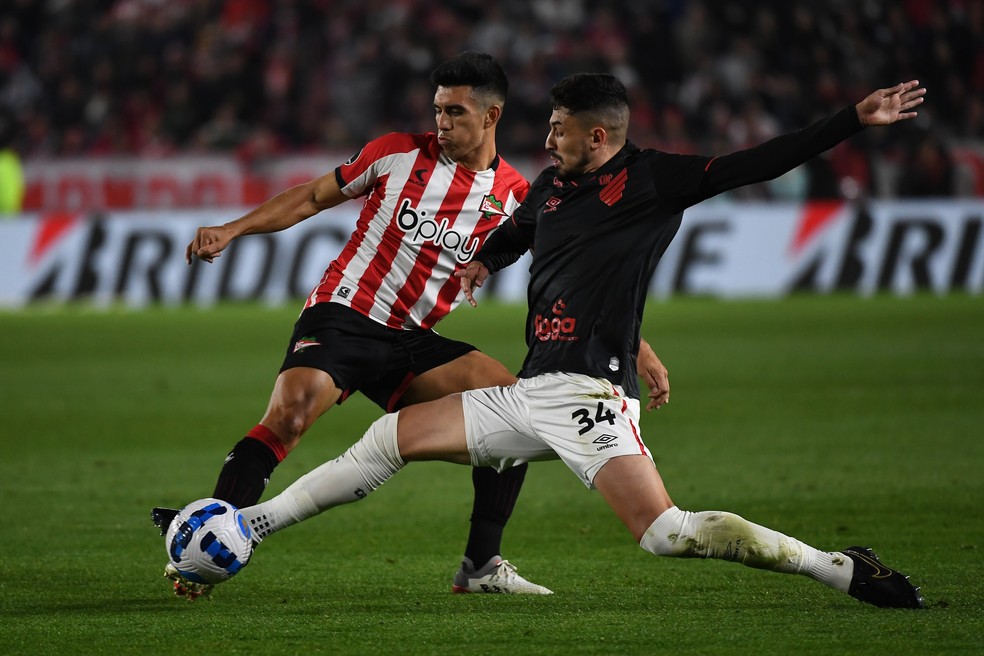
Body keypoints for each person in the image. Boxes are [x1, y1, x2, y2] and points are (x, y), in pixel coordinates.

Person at [232, 74, 926, 609]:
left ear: (599, 137)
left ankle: (840, 569)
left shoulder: (654, 180)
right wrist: (483, 261)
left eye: (560, 130)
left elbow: (758, 162)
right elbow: (517, 233)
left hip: (592, 396)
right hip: (531, 392)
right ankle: (250, 528)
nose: (549, 140)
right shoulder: (551, 188)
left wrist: (851, 121)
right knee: (387, 442)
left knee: (668, 535)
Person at [155, 53, 671, 599]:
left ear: (491, 116)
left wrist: (638, 349)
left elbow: (577, 285)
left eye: (454, 112)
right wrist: (233, 229)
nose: (441, 123)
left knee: (513, 402)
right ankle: (213, 545)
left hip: (413, 340)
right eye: (437, 110)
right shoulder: (397, 153)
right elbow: (310, 197)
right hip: (345, 314)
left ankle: (480, 565)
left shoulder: (519, 196)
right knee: (291, 413)